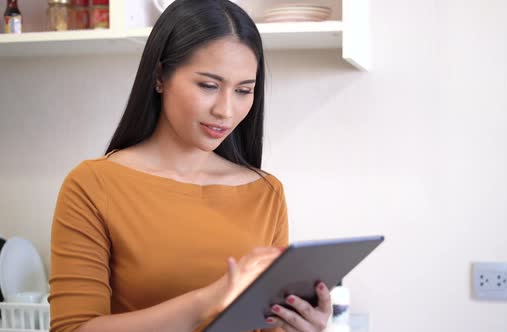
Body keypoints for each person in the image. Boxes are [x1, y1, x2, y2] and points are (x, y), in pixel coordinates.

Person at [48, 1, 332, 331]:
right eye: (208, 86)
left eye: (243, 90)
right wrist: (206, 302)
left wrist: (298, 325)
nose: (226, 110)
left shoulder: (265, 192)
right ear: (159, 77)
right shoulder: (93, 185)